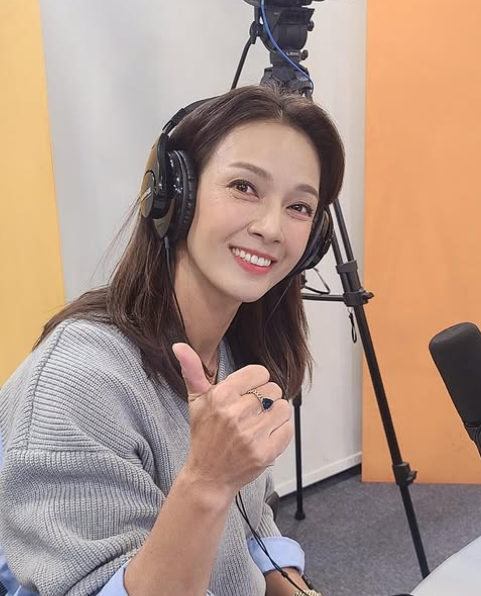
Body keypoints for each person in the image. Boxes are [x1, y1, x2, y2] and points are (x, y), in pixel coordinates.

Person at [0, 84, 345, 596]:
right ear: (173, 196)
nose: (273, 228)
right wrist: (206, 482)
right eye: (244, 187)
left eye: (299, 206)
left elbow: (252, 525)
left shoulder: (235, 353)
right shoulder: (77, 381)